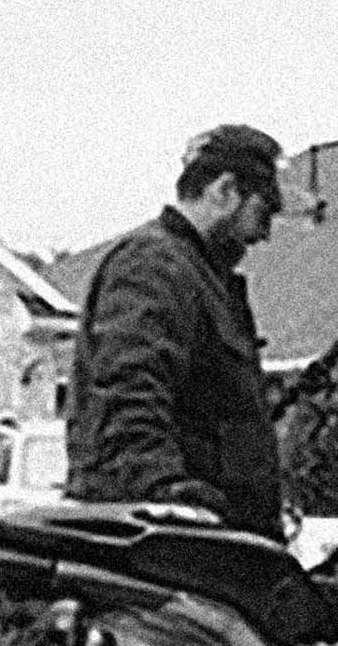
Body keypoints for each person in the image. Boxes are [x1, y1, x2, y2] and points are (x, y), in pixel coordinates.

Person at [64, 124, 288, 541]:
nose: (265, 234)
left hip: (210, 537)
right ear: (225, 190)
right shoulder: (154, 267)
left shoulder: (200, 278)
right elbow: (128, 391)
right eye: (263, 211)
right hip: (164, 544)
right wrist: (165, 495)